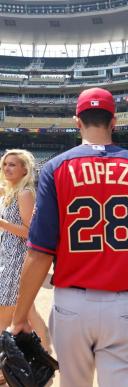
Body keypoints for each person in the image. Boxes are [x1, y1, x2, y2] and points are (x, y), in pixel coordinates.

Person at [10, 88, 128, 387]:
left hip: (72, 304)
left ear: (77, 121)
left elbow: (40, 253)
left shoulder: (55, 168)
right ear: (114, 121)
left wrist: (20, 317)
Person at [0, 149, 49, 384]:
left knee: (4, 314)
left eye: (12, 165)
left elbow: (30, 232)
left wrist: (1, 223)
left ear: (24, 169)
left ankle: (5, 366)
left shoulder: (26, 193)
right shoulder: (11, 191)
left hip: (18, 260)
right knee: (28, 313)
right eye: (5, 164)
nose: (7, 168)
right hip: (8, 258)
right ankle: (45, 357)